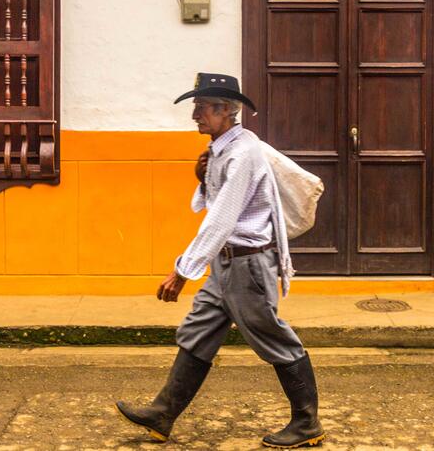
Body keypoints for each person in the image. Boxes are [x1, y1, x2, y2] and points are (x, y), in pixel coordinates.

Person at [114, 73, 325, 448]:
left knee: (274, 338)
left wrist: (182, 271)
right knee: (198, 332)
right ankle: (163, 414)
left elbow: (221, 218)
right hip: (226, 263)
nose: (195, 114)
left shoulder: (243, 152)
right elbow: (211, 203)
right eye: (195, 107)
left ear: (227, 110)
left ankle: (307, 423)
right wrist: (205, 172)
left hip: (248, 266)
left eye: (202, 107)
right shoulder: (223, 148)